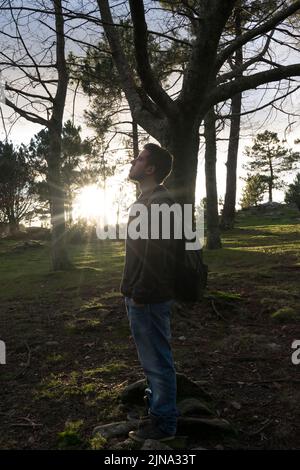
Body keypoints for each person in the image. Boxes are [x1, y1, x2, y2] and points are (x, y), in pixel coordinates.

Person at [121, 143, 180, 442]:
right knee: (151, 360)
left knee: (158, 361)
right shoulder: (143, 202)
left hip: (149, 298)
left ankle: (164, 423)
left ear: (151, 168)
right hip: (138, 295)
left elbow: (158, 255)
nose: (134, 161)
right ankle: (155, 406)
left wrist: (140, 293)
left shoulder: (160, 202)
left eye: (140, 159)